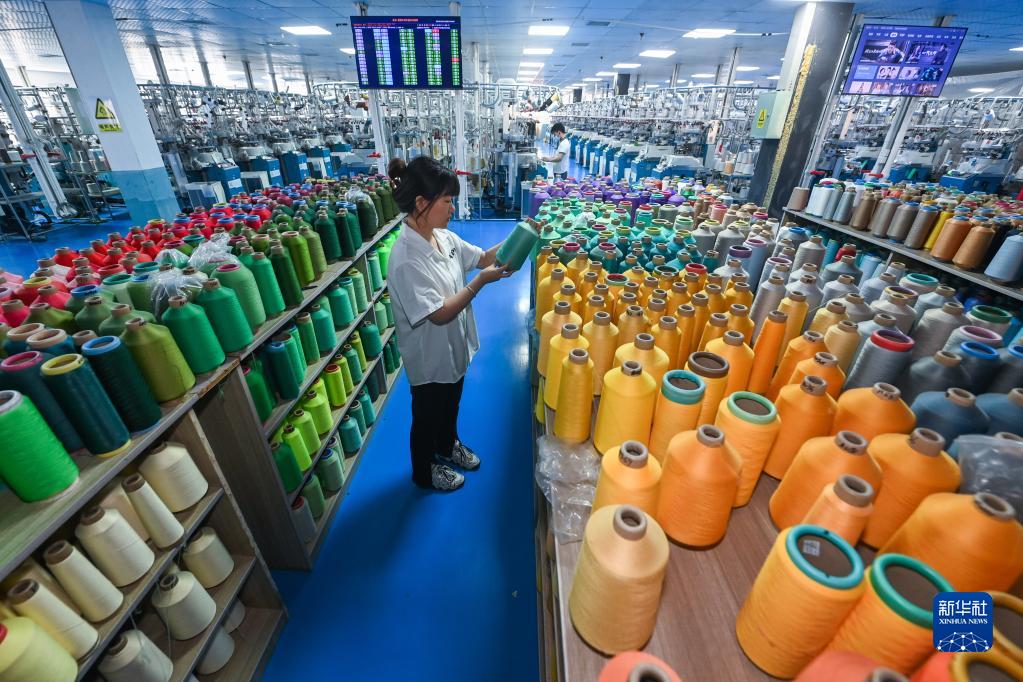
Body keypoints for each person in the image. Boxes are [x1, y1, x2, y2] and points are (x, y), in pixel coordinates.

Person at [385, 156, 511, 491]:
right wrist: (479, 283)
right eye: (447, 201)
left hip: (453, 348)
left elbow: (482, 258)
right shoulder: (405, 258)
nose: (453, 208)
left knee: (451, 403)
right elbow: (439, 313)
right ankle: (424, 470)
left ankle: (447, 445)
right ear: (421, 203)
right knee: (427, 415)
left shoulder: (443, 237)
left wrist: (519, 236)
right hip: (429, 359)